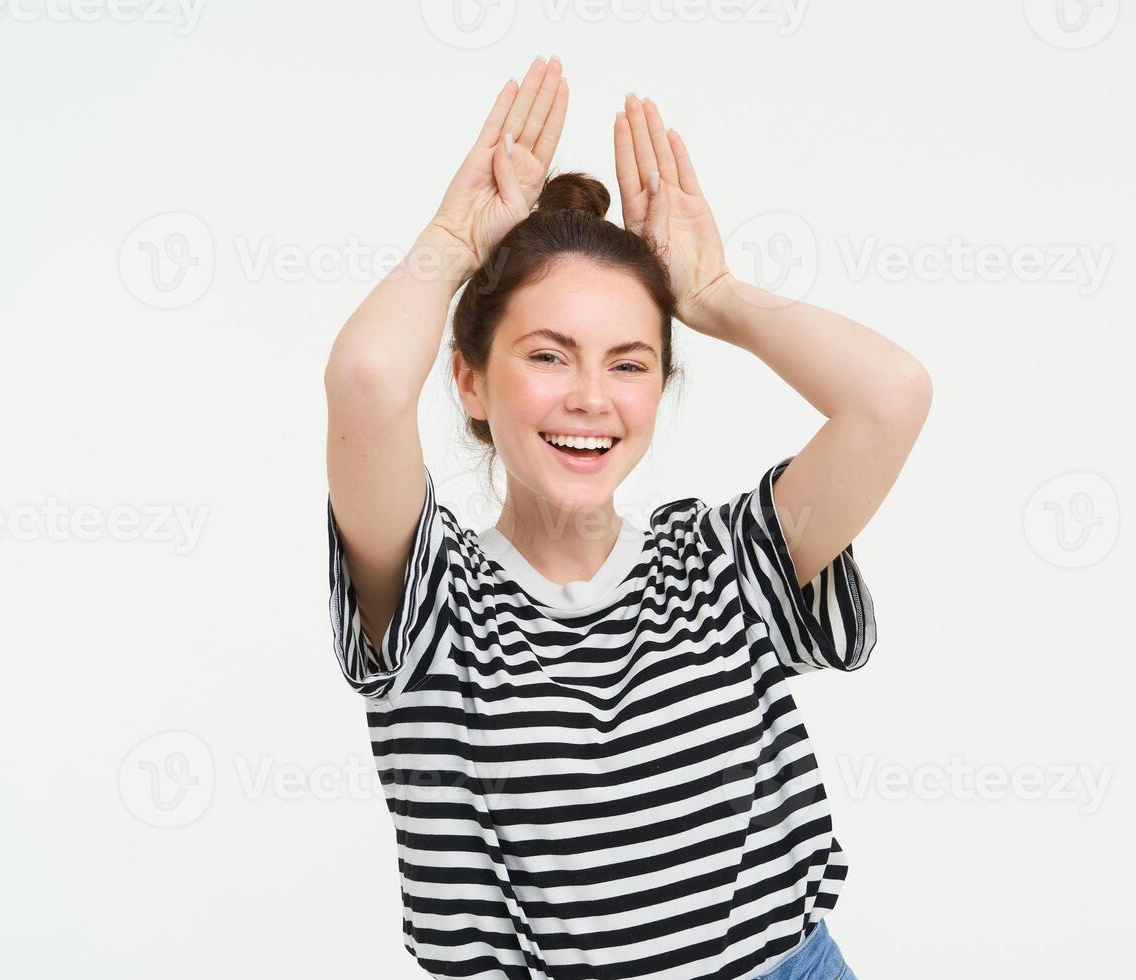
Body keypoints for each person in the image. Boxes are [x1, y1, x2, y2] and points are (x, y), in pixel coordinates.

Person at [321, 55, 929, 980]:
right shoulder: (433, 595)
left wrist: (718, 296)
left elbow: (890, 397)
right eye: (549, 356)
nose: (592, 398)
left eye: (630, 362)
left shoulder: (726, 562)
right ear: (471, 379)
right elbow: (364, 384)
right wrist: (451, 240)